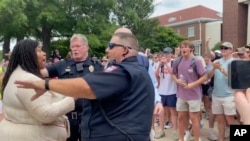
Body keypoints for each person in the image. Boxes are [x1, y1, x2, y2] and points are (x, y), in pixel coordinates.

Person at [16, 32, 155, 141]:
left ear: (125, 50)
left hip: (118, 133)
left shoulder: (122, 71)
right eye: (73, 47)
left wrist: (45, 84)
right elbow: (41, 72)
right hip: (73, 119)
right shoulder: (134, 69)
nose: (107, 49)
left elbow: (86, 87)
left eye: (111, 46)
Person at [0, 39, 75, 141]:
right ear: (28, 55)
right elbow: (45, 114)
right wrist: (73, 97)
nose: (44, 54)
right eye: (39, 51)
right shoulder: (28, 79)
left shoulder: (16, 75)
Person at [41, 34, 103, 141]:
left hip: (91, 118)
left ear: (86, 47)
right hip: (68, 118)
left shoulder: (97, 66)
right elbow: (43, 73)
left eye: (78, 46)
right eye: (72, 47)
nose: (74, 49)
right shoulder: (62, 65)